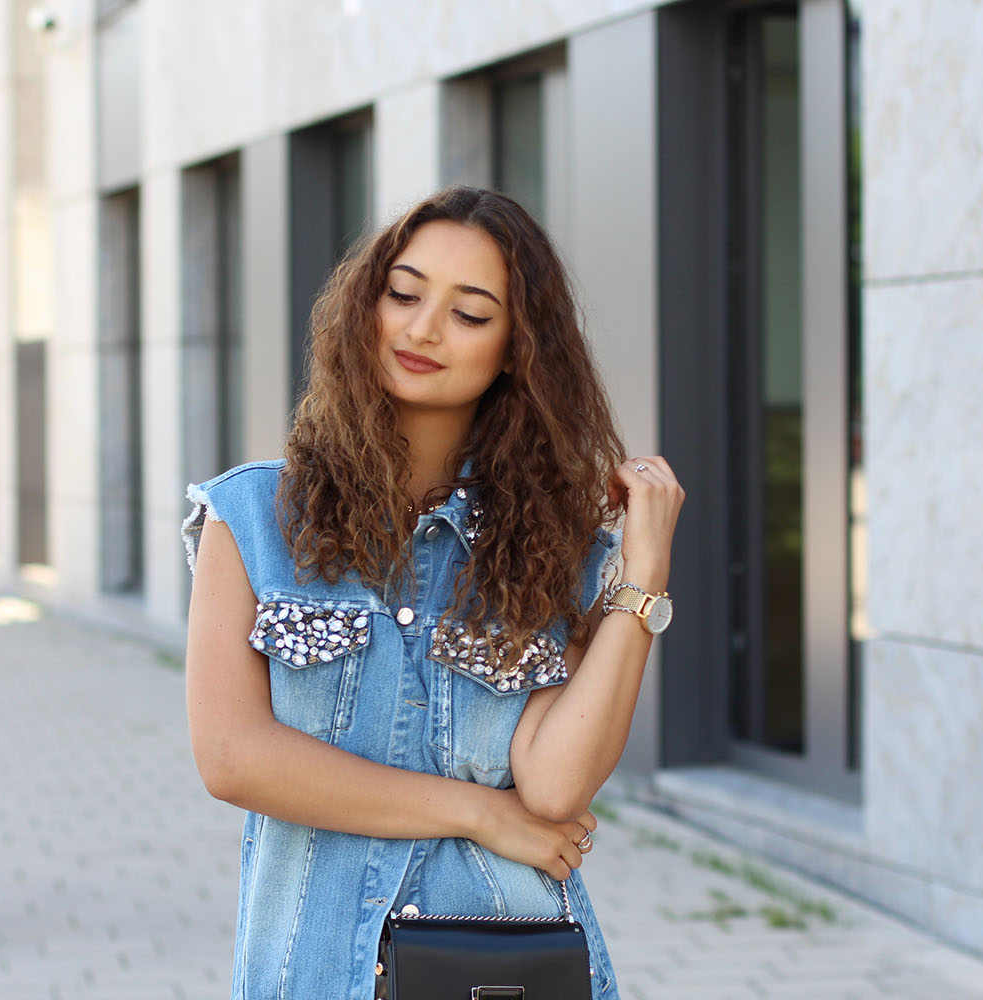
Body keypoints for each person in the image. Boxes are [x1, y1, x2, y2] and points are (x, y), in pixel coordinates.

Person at [182, 186, 683, 999]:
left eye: (471, 313)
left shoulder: (557, 549)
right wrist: (479, 811)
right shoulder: (250, 517)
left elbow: (555, 787)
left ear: (517, 348)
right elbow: (235, 758)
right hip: (309, 974)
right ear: (365, 304)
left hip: (505, 971)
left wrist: (643, 582)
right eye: (405, 294)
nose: (421, 329)